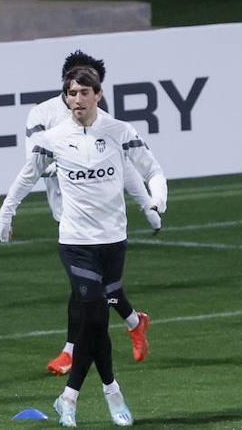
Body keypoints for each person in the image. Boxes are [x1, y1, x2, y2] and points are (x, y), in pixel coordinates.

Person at [0, 69, 169, 427]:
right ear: (65, 97)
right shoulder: (54, 138)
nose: (77, 99)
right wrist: (6, 211)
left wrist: (157, 203)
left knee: (96, 323)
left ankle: (67, 397)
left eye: (83, 92)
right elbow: (27, 175)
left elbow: (152, 171)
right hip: (76, 242)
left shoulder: (119, 131)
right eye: (71, 93)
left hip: (114, 241)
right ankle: (112, 392)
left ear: (98, 95)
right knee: (93, 316)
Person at [32, 52, 162, 376]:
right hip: (68, 213)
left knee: (91, 293)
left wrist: (148, 206)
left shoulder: (104, 123)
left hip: (101, 222)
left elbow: (127, 170)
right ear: (66, 83)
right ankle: (134, 322)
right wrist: (61, 164)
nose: (82, 94)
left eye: (90, 85)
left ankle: (70, 352)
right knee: (103, 293)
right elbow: (33, 163)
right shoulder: (43, 116)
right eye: (77, 86)